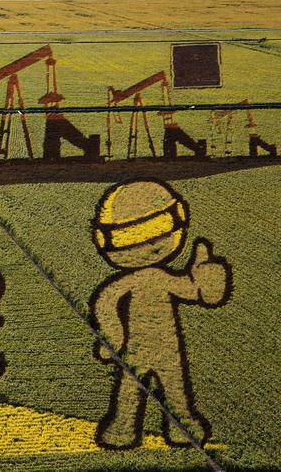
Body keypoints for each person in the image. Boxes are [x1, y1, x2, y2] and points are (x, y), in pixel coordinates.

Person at [89, 178, 232, 449]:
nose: (152, 244)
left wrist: (206, 278)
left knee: (167, 388)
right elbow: (106, 302)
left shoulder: (159, 277)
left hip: (160, 348)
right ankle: (131, 427)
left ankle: (136, 429)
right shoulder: (144, 279)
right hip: (143, 347)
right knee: (137, 388)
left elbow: (190, 290)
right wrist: (113, 335)